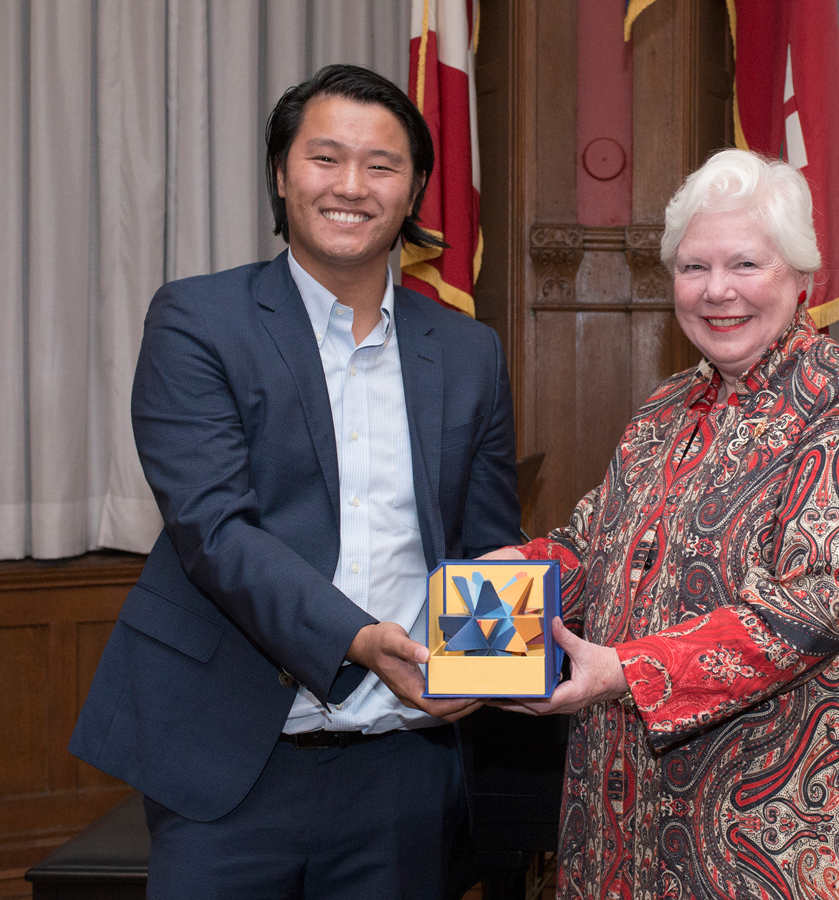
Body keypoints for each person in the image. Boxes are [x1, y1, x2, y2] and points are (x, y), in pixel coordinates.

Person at [69, 64, 520, 899]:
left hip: (404, 763)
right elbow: (215, 529)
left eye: (382, 166)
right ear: (281, 174)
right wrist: (359, 639)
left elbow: (486, 538)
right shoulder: (197, 319)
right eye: (325, 159)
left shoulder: (468, 350)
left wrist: (489, 668)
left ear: (415, 185)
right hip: (227, 757)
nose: (352, 186)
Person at [486, 149, 839, 899]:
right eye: (694, 268)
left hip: (788, 828)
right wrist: (522, 569)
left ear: (801, 280)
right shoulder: (663, 410)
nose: (717, 291)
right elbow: (593, 545)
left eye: (745, 265)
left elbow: (812, 603)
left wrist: (626, 671)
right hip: (624, 819)